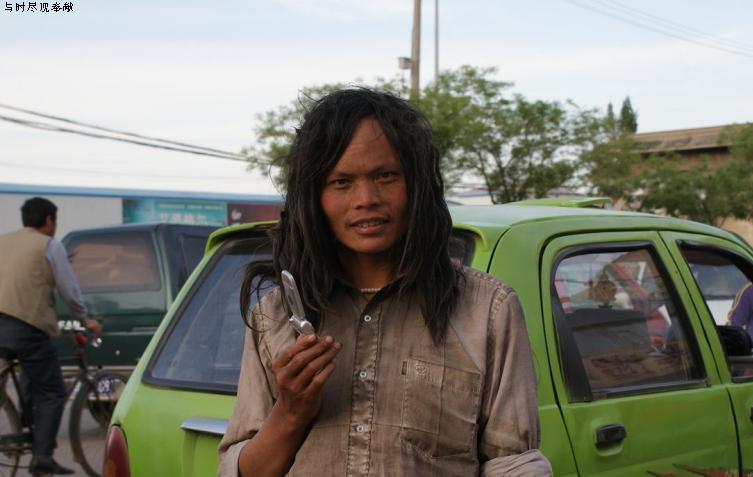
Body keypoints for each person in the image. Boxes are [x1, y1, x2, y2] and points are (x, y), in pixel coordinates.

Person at [217, 89, 552, 476]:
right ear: (313, 196)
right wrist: (290, 413)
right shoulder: (274, 316)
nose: (366, 198)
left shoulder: (488, 311)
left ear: (418, 185)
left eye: (385, 176)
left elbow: (512, 463)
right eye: (341, 182)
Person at [0, 197, 102, 476]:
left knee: (31, 377)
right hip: (25, 326)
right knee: (52, 392)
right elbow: (68, 289)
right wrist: (85, 318)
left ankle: (28, 428)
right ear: (49, 220)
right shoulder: (49, 245)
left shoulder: (4, 241)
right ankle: (42, 457)